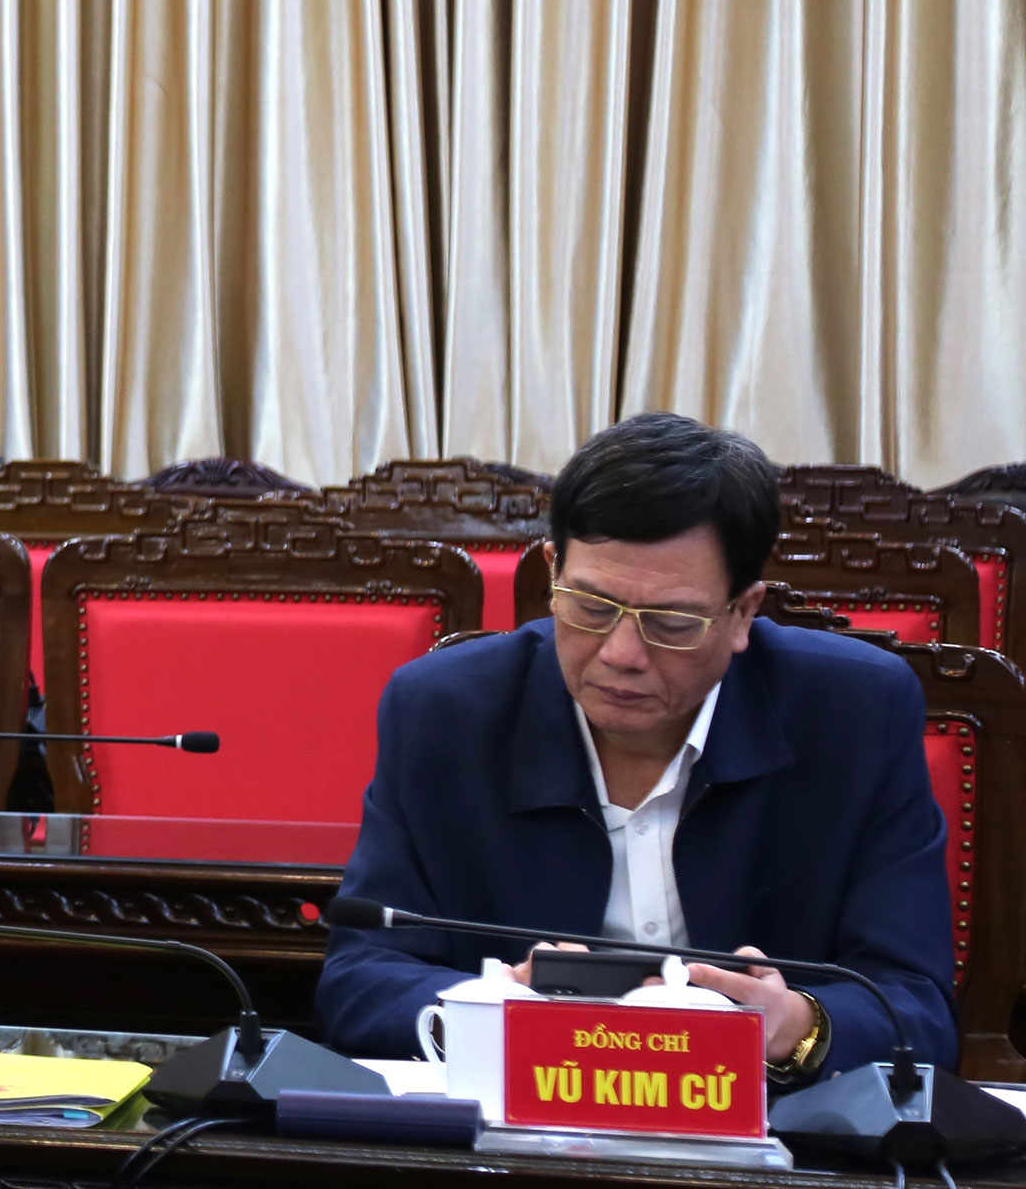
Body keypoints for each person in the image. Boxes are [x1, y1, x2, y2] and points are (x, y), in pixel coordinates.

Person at [318, 414, 955, 1082]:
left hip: (766, 1118)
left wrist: (796, 1025)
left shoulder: (853, 713)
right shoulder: (445, 711)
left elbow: (916, 1005)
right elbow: (361, 976)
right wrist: (486, 1007)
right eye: (591, 607)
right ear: (553, 572)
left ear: (742, 612)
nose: (621, 654)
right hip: (518, 1113)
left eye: (671, 622)